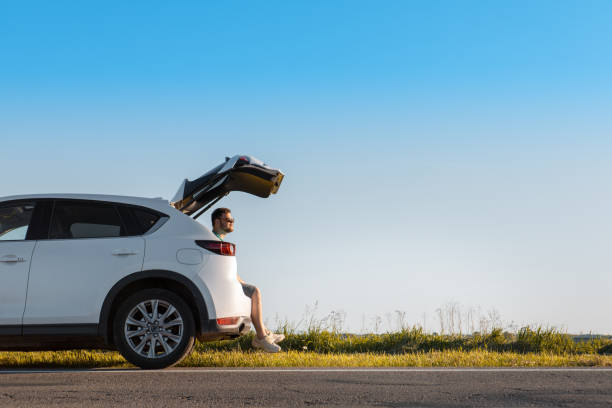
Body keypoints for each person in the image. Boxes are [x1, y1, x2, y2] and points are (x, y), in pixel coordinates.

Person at [211, 207, 285, 353]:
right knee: (254, 291)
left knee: (251, 291)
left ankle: (265, 333)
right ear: (217, 221)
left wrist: (241, 283)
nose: (232, 222)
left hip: (224, 282)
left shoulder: (217, 240)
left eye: (232, 220)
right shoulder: (213, 241)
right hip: (218, 285)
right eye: (228, 220)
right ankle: (261, 337)